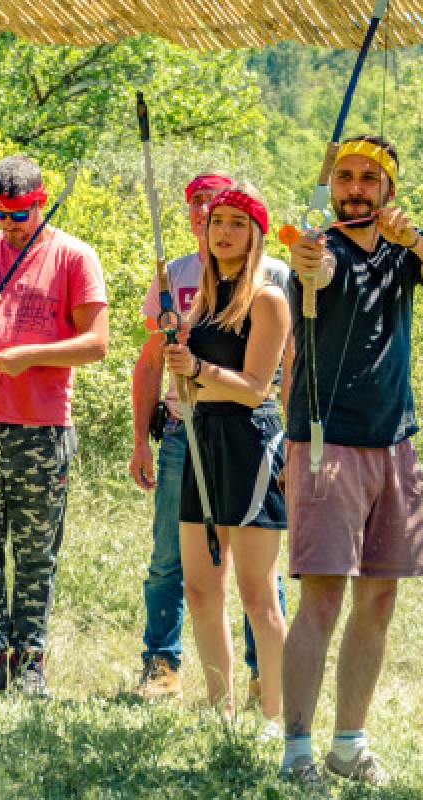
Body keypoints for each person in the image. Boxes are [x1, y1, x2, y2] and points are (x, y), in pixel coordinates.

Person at [280, 135, 423, 786]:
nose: (356, 188)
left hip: (395, 445)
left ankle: (349, 743)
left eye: (370, 177)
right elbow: (311, 264)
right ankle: (296, 753)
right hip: (328, 443)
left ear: (390, 189)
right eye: (344, 176)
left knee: (378, 601)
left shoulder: (404, 253)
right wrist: (306, 241)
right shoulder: (321, 245)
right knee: (321, 601)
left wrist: (419, 242)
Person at [130, 172, 288, 703]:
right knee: (201, 590)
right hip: (197, 437)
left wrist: (196, 367)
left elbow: (255, 388)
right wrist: (177, 357)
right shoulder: (196, 300)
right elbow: (165, 366)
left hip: (249, 440)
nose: (222, 232)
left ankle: (277, 715)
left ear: (255, 234)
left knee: (257, 595)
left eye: (236, 224)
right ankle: (219, 709)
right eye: (216, 221)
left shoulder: (267, 299)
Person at [0, 155, 109, 696]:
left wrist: (30, 356)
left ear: (41, 201)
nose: (9, 226)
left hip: (41, 430)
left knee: (34, 554)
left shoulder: (73, 255)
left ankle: (30, 662)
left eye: (21, 215)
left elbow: (97, 343)